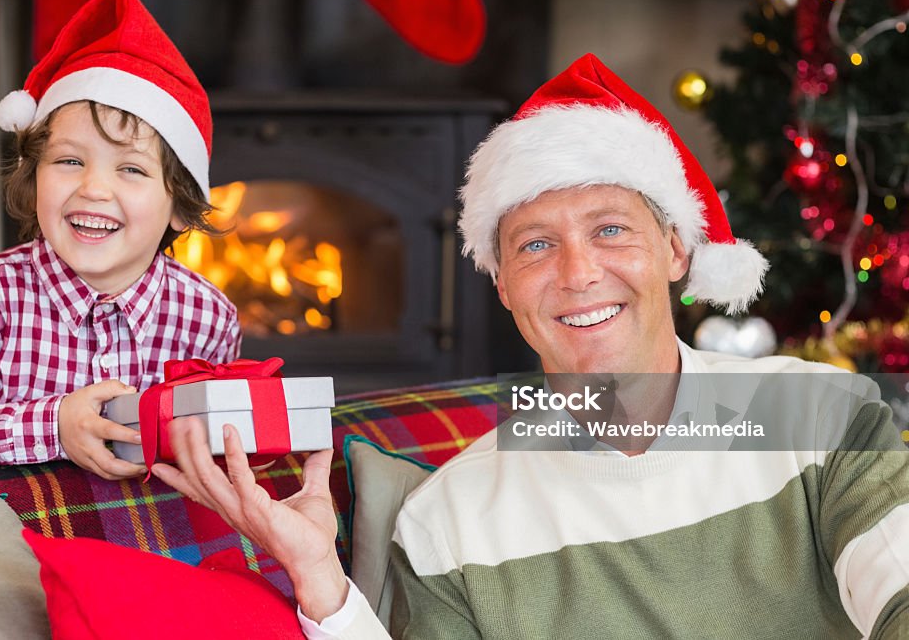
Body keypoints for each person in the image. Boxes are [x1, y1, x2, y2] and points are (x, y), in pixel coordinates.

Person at [152, 54, 909, 638]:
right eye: (536, 245)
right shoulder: (447, 520)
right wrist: (321, 579)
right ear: (504, 285)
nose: (578, 273)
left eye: (611, 229)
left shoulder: (821, 417)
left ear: (677, 249)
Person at [0, 0, 241, 481]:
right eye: (70, 161)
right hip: (14, 536)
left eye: (132, 170)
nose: (94, 189)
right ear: (34, 182)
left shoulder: (210, 318)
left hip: (149, 536)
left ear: (180, 208)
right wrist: (52, 425)